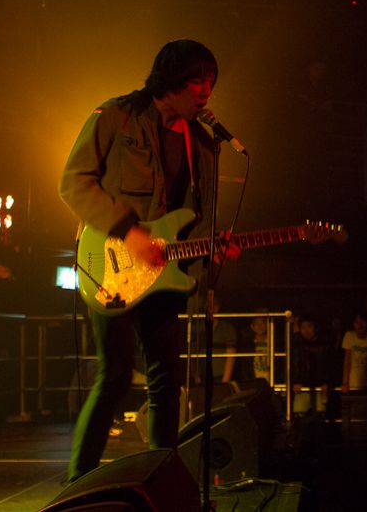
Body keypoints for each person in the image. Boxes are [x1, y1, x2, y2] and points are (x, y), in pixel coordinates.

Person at [59, 39, 239, 483]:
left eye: (211, 81)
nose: (206, 91)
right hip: (109, 264)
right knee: (116, 376)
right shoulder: (117, 116)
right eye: (198, 79)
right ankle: (78, 482)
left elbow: (195, 216)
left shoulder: (203, 143)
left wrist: (210, 249)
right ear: (171, 78)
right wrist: (130, 232)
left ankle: (163, 484)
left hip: (165, 274)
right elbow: (74, 183)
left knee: (166, 381)